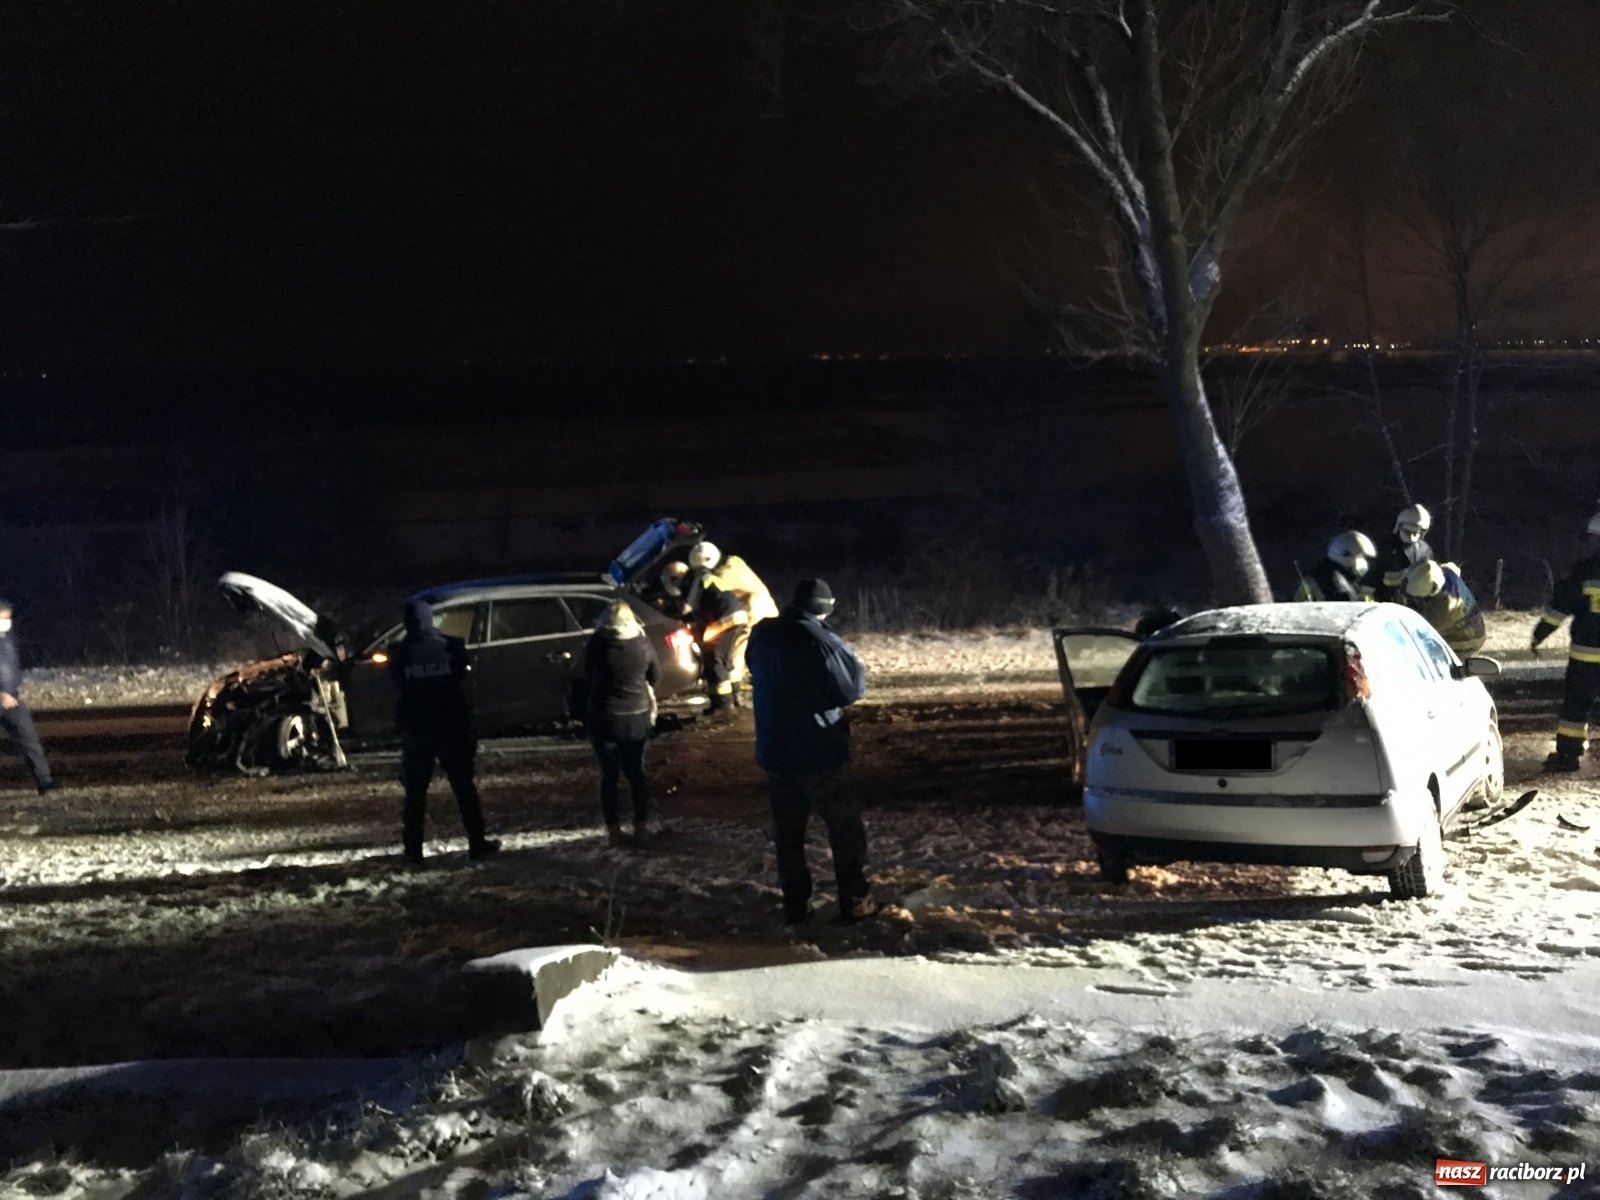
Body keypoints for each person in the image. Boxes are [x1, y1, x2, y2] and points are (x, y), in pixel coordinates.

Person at [746, 578, 871, 926]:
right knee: (845, 830)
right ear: (825, 608)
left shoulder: (762, 633)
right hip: (818, 752)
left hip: (774, 751)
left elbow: (755, 668)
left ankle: (796, 907)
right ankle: (855, 900)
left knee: (788, 837)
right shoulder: (820, 640)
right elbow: (851, 689)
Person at [387, 597, 499, 864]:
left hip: (418, 729)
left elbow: (399, 685)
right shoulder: (451, 646)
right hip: (451, 727)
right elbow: (461, 680)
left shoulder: (400, 653)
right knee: (463, 788)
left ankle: (413, 850)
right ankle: (477, 842)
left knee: (415, 794)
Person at [583, 599, 659, 847]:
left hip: (604, 717)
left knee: (609, 776)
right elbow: (656, 676)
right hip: (635, 717)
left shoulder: (597, 643)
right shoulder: (642, 643)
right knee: (636, 773)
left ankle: (613, 830)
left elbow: (585, 673)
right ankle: (641, 827)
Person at [1531, 511, 1600, 773]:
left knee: (1575, 708)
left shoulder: (1583, 573)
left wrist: (1539, 634)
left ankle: (1568, 757)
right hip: (1585, 656)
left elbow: (1558, 609)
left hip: (1585, 658)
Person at [691, 541, 778, 701]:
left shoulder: (722, 576)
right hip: (765, 608)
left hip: (753, 613)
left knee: (734, 655)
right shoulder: (734, 562)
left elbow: (717, 598)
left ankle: (732, 697)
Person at [0, 600, 56, 794]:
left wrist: (15, 687)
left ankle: (45, 782)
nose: (7, 621)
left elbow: (11, 667)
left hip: (12, 697)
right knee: (28, 739)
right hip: (4, 699)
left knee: (29, 740)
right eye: (3, 617)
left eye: (8, 617)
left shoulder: (7, 638)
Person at [1402, 559, 1486, 657]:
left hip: (1467, 641)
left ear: (1432, 591)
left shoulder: (1443, 609)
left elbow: (1416, 632)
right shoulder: (1443, 573)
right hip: (1472, 623)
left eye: (1416, 598)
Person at [1294, 531, 1377, 602]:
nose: (1364, 563)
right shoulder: (1336, 585)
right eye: (1361, 557)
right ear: (1347, 556)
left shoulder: (1323, 574)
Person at [1375, 504, 1434, 602]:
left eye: (1415, 532)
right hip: (1386, 602)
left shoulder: (1424, 550)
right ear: (1399, 527)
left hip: (1416, 604)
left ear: (1422, 532)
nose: (1411, 536)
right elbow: (1372, 579)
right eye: (1407, 531)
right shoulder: (1385, 548)